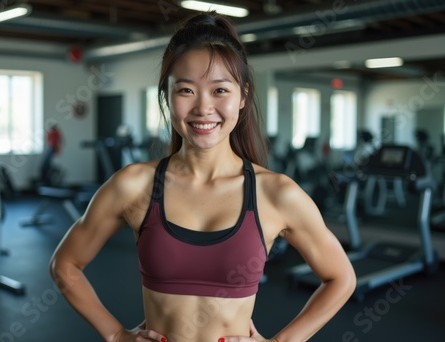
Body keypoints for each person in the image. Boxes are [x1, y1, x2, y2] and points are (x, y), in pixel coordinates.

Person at [50, 12, 356, 342]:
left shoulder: (277, 194)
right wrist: (115, 336)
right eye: (186, 90)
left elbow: (341, 278)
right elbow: (65, 265)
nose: (203, 108)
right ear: (167, 96)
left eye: (220, 90)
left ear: (242, 97)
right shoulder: (133, 185)